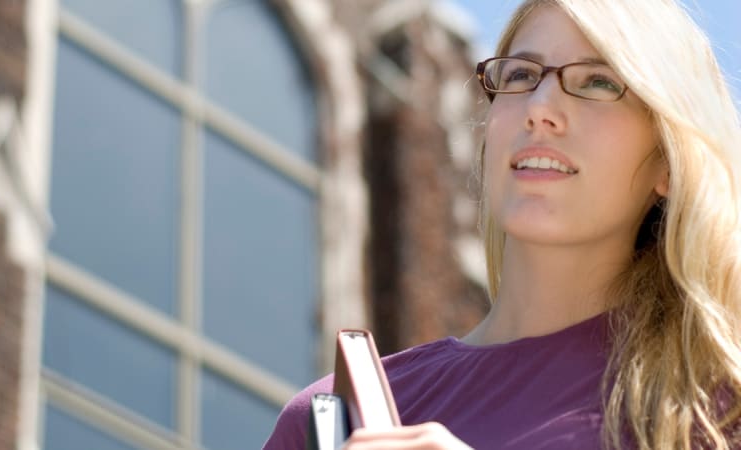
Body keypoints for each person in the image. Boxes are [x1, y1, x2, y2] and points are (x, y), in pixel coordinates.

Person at [262, 0, 741, 448]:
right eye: (520, 75)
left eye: (598, 81)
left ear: (668, 162)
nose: (539, 109)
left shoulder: (719, 408)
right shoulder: (321, 419)